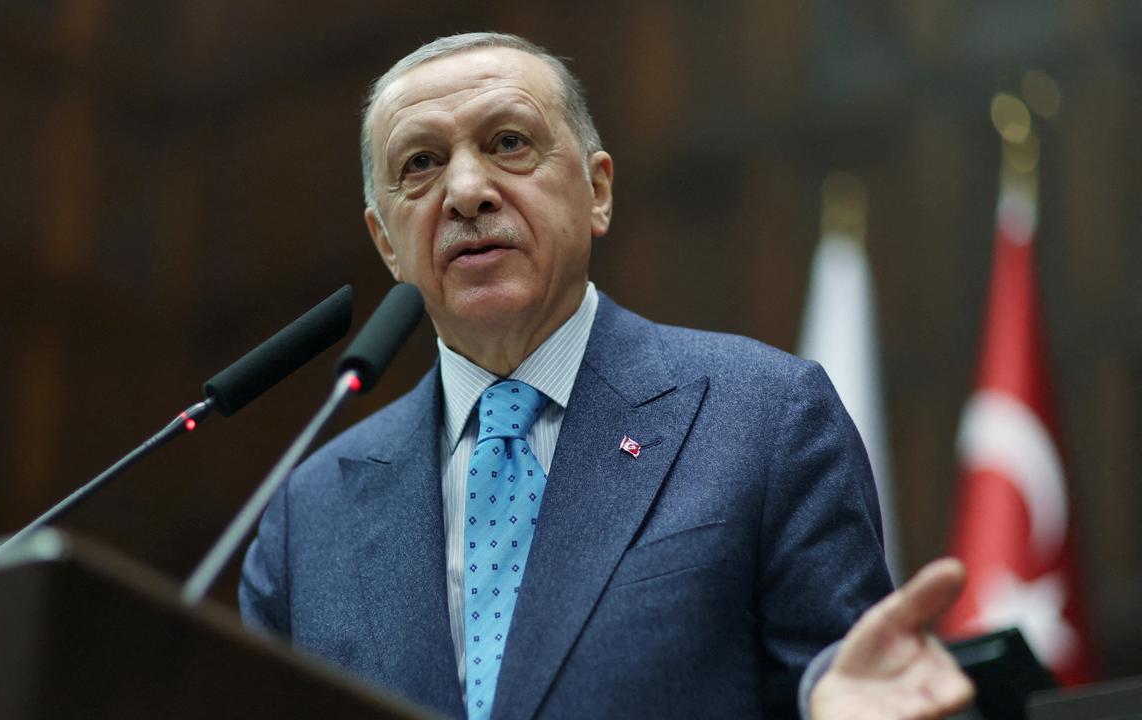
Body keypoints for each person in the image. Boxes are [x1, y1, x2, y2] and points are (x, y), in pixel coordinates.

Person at [240, 32, 974, 720]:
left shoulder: (766, 418)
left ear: (597, 191)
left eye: (508, 143)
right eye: (421, 164)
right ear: (385, 243)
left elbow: (844, 679)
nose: (465, 191)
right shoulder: (307, 520)